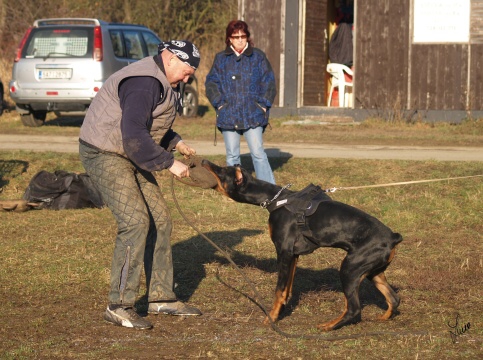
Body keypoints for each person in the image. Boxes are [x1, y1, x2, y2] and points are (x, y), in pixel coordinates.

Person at [79, 40, 202, 330]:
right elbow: (134, 134)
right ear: (170, 58)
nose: (188, 78)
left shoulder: (164, 80)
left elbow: (152, 121)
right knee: (135, 222)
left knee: (160, 219)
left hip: (129, 151)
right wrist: (169, 163)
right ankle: (119, 305)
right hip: (104, 152)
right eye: (186, 71)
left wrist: (176, 142)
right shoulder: (144, 82)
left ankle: (161, 297)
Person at [205, 20, 277, 184]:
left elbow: (269, 82)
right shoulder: (221, 59)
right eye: (235, 36)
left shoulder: (258, 57)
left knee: (258, 153)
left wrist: (263, 105)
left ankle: (268, 187)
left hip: (253, 114)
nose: (239, 40)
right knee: (232, 155)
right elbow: (211, 83)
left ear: (247, 37)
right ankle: (234, 188)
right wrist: (220, 104)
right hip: (228, 115)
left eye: (242, 36)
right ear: (229, 38)